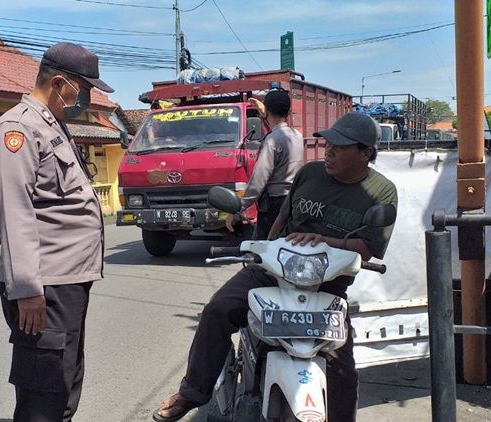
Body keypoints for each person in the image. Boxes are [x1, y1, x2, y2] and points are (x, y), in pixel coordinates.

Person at [153, 112, 398, 422]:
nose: (330, 152)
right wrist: (265, 249)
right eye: (329, 144)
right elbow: (283, 217)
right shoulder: (310, 174)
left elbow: (369, 249)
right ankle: (193, 392)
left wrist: (324, 239)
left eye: (340, 147)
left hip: (327, 282)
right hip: (274, 270)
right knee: (218, 309)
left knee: (343, 370)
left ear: (365, 153)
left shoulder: (381, 192)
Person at [0, 42, 112, 422]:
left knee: (65, 382)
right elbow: (15, 213)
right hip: (43, 287)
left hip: (66, 282)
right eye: (83, 89)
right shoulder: (18, 130)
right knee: (44, 392)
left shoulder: (51, 125)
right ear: (59, 83)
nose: (87, 98)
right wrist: (26, 290)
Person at [226, 89, 304, 240]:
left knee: (265, 253)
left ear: (267, 111)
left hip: (273, 207)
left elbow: (258, 182)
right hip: (292, 202)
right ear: (288, 111)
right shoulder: (297, 136)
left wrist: (239, 207)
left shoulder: (272, 140)